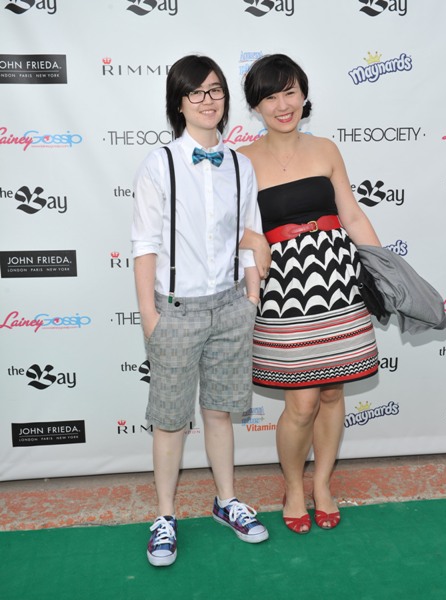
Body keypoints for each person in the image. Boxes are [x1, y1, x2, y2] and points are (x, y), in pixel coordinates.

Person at [132, 54, 270, 567]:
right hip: (175, 313)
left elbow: (251, 236)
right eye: (196, 92)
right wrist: (150, 316)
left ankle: (226, 501)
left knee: (219, 412)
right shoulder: (159, 163)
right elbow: (144, 244)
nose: (208, 100)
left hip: (232, 307)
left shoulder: (240, 164)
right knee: (170, 421)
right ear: (179, 103)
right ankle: (165, 516)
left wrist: (251, 298)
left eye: (215, 90)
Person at [238, 54, 381, 534]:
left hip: (338, 277)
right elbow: (227, 230)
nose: (283, 105)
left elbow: (352, 214)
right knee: (301, 402)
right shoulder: (241, 161)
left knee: (334, 391)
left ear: (304, 94)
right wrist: (252, 243)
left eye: (290, 92)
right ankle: (293, 487)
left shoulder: (326, 149)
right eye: (270, 97)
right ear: (256, 106)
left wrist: (384, 270)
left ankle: (322, 484)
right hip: (283, 290)